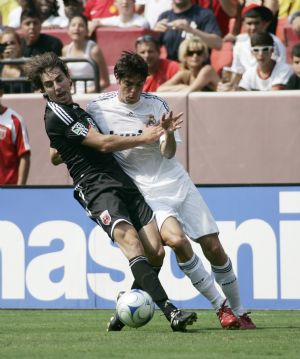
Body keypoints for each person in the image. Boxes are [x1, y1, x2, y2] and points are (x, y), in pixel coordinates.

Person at [24, 51, 197, 332]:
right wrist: (148, 136)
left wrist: (63, 150)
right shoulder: (57, 113)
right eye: (49, 85)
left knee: (156, 253)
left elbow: (55, 153)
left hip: (122, 180)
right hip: (95, 187)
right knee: (132, 243)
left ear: (69, 78)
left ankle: (124, 307)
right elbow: (102, 145)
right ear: (42, 90)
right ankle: (171, 311)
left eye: (59, 79)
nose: (57, 87)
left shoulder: (77, 110)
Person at [87, 51, 256, 330]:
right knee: (176, 241)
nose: (133, 90)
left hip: (176, 181)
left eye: (139, 84)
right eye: (127, 83)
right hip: (146, 192)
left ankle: (240, 310)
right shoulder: (98, 108)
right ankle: (221, 308)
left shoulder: (156, 104)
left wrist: (164, 135)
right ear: (117, 79)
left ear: (146, 82)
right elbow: (92, 142)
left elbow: (168, 153)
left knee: (213, 247)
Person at [218, 5, 286, 91]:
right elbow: (238, 72)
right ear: (243, 24)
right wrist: (230, 88)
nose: (253, 28)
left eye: (256, 23)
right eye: (249, 23)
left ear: (264, 24)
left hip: (271, 88)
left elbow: (278, 70)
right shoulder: (240, 43)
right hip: (247, 88)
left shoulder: (275, 43)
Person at [153, 0, 222, 61]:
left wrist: (191, 30)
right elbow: (150, 50)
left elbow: (217, 43)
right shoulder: (164, 16)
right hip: (173, 69)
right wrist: (154, 33)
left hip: (197, 69)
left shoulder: (204, 14)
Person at [62, 13, 110, 93]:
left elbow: (105, 82)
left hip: (93, 95)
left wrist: (85, 94)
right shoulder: (65, 50)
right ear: (68, 30)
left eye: (81, 25)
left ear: (87, 31)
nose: (76, 28)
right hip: (73, 95)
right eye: (73, 25)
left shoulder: (94, 50)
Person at [0, 80, 31, 185]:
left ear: (1, 92)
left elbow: (24, 155)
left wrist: (19, 190)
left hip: (8, 190)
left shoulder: (15, 120)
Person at [0, 28, 32, 93]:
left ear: (19, 46)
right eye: (4, 44)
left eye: (12, 43)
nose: (8, 46)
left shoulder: (28, 66)